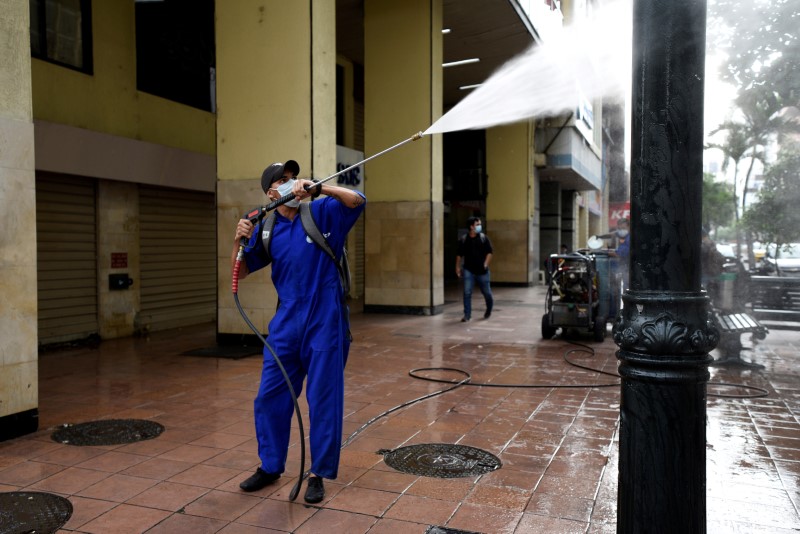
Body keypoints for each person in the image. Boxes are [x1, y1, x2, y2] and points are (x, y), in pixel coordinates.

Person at [231, 160, 366, 504]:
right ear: (270, 193)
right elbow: (241, 270)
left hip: (325, 320)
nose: (292, 184)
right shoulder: (266, 226)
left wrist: (321, 188)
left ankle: (318, 473)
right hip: (286, 323)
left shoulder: (320, 212)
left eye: (294, 178)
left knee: (322, 399)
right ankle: (270, 465)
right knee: (269, 396)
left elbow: (357, 200)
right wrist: (238, 241)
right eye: (283, 181)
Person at [455, 216, 494, 322]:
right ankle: (467, 315)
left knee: (487, 293)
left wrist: (485, 264)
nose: (480, 226)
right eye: (477, 224)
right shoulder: (464, 239)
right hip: (469, 270)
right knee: (467, 292)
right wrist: (457, 267)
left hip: (482, 271)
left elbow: (490, 252)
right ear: (471, 227)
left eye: (480, 224)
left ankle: (489, 310)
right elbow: (459, 254)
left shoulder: (483, 238)